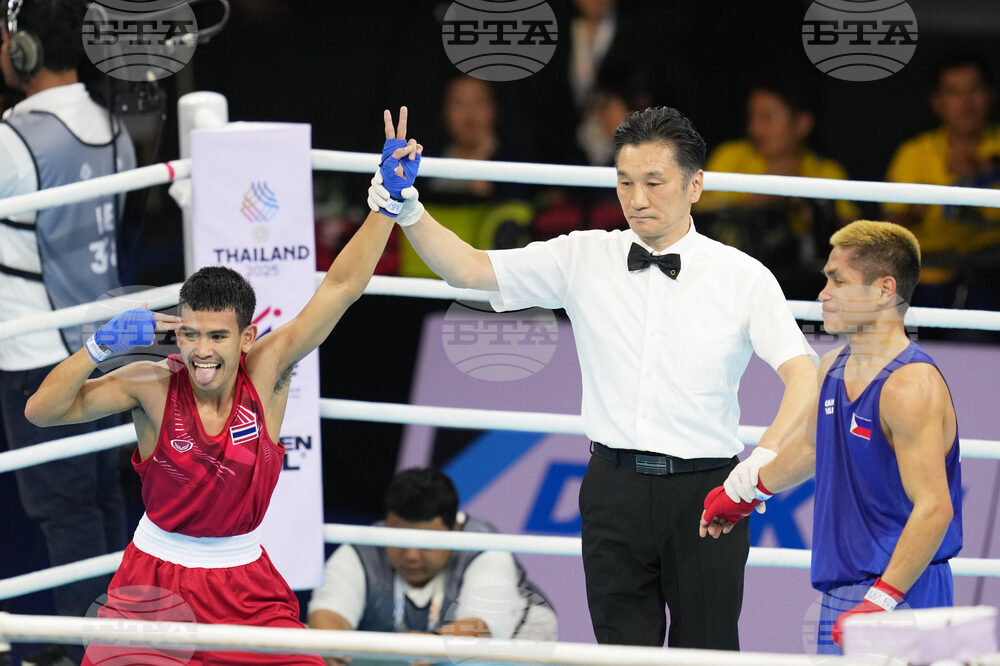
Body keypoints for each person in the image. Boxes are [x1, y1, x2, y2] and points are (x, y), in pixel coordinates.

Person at [367, 106, 818, 649]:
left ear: (696, 185)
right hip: (612, 487)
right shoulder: (583, 254)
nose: (638, 198)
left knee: (709, 654)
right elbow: (469, 269)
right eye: (625, 182)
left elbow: (803, 376)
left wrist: (759, 468)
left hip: (709, 491)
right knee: (619, 654)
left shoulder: (744, 277)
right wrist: (408, 208)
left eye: (654, 182)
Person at [24, 109, 421, 665]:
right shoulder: (150, 384)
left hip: (244, 585)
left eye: (216, 336)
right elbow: (41, 412)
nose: (201, 351)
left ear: (246, 336)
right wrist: (99, 347)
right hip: (153, 581)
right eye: (189, 334)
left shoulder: (269, 368)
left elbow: (341, 287)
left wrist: (388, 204)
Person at [700, 220, 963, 655]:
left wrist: (881, 600)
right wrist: (749, 490)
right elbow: (813, 448)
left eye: (838, 281)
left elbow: (935, 509)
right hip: (845, 591)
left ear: (884, 290)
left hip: (906, 591)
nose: (823, 293)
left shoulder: (909, 387)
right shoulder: (833, 367)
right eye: (826, 279)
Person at [0, 1, 135, 663]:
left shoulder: (13, 139)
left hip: (35, 351)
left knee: (68, 509)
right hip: (102, 345)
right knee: (101, 497)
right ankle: (115, 640)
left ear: (20, 50)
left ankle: (96, 651)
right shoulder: (115, 126)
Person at [308, 467, 556, 664]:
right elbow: (326, 617)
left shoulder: (485, 549)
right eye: (399, 540)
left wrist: (428, 648)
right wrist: (333, 649)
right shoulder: (361, 549)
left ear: (455, 529)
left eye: (426, 542)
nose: (412, 555)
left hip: (511, 639)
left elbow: (482, 627)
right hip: (405, 650)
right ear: (386, 525)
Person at [696, 78, 857, 283]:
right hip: (729, 279)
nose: (755, 128)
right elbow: (701, 218)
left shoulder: (826, 171)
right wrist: (765, 196)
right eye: (752, 117)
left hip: (798, 287)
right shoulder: (730, 156)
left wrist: (814, 216)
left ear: (802, 123)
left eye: (767, 117)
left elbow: (853, 241)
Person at [884, 53, 1000, 309]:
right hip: (927, 280)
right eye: (954, 92)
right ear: (938, 102)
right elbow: (889, 228)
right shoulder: (913, 153)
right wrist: (914, 213)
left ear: (990, 94)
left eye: (975, 90)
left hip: (994, 274)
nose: (966, 102)